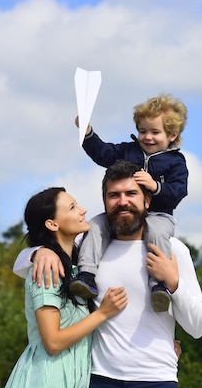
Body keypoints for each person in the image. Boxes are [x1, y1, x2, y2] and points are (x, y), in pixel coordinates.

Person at [13, 160, 202, 388]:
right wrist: (39, 252)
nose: (123, 201)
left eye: (131, 193)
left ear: (147, 200)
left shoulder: (172, 250)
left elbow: (199, 327)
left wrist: (174, 283)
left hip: (156, 379)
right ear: (105, 201)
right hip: (97, 380)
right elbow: (30, 257)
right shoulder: (89, 249)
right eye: (114, 195)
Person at [71, 93, 188, 313]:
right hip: (123, 215)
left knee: (156, 232)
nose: (147, 137)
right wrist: (87, 134)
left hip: (159, 216)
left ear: (172, 135)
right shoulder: (128, 151)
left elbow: (178, 192)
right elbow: (103, 153)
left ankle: (159, 285)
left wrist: (155, 186)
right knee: (95, 225)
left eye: (155, 132)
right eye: (143, 131)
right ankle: (86, 275)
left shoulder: (176, 162)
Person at [3, 187, 127, 388]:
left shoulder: (80, 269)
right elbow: (52, 341)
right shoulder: (47, 269)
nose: (83, 210)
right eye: (72, 207)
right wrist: (103, 313)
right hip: (44, 383)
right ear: (52, 224)